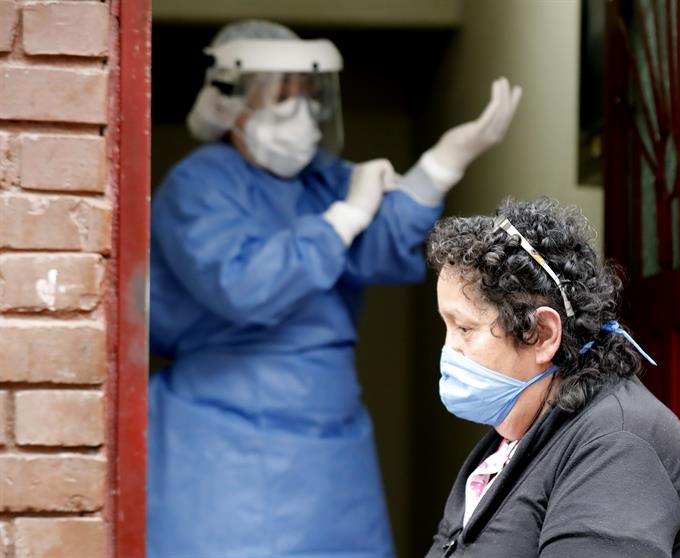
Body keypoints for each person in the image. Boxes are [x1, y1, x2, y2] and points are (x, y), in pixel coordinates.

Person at [147, 20, 521, 558]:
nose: (300, 113)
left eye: (308, 95)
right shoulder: (200, 184)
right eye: (282, 96)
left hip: (329, 430)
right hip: (219, 433)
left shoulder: (320, 179)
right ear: (229, 104)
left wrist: (441, 164)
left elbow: (378, 244)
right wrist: (343, 218)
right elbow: (245, 284)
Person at [424, 198, 680, 557]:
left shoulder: (618, 445)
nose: (449, 350)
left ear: (542, 334)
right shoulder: (513, 439)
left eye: (465, 328)